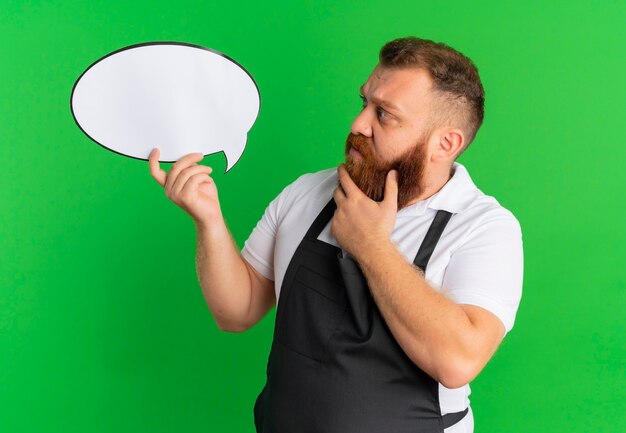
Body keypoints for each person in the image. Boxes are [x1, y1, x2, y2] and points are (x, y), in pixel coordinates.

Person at [149, 36, 523, 433]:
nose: (358, 124)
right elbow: (236, 311)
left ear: (445, 143)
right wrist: (208, 220)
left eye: (385, 115)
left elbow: (459, 361)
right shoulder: (308, 192)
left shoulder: (483, 227)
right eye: (364, 102)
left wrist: (371, 245)